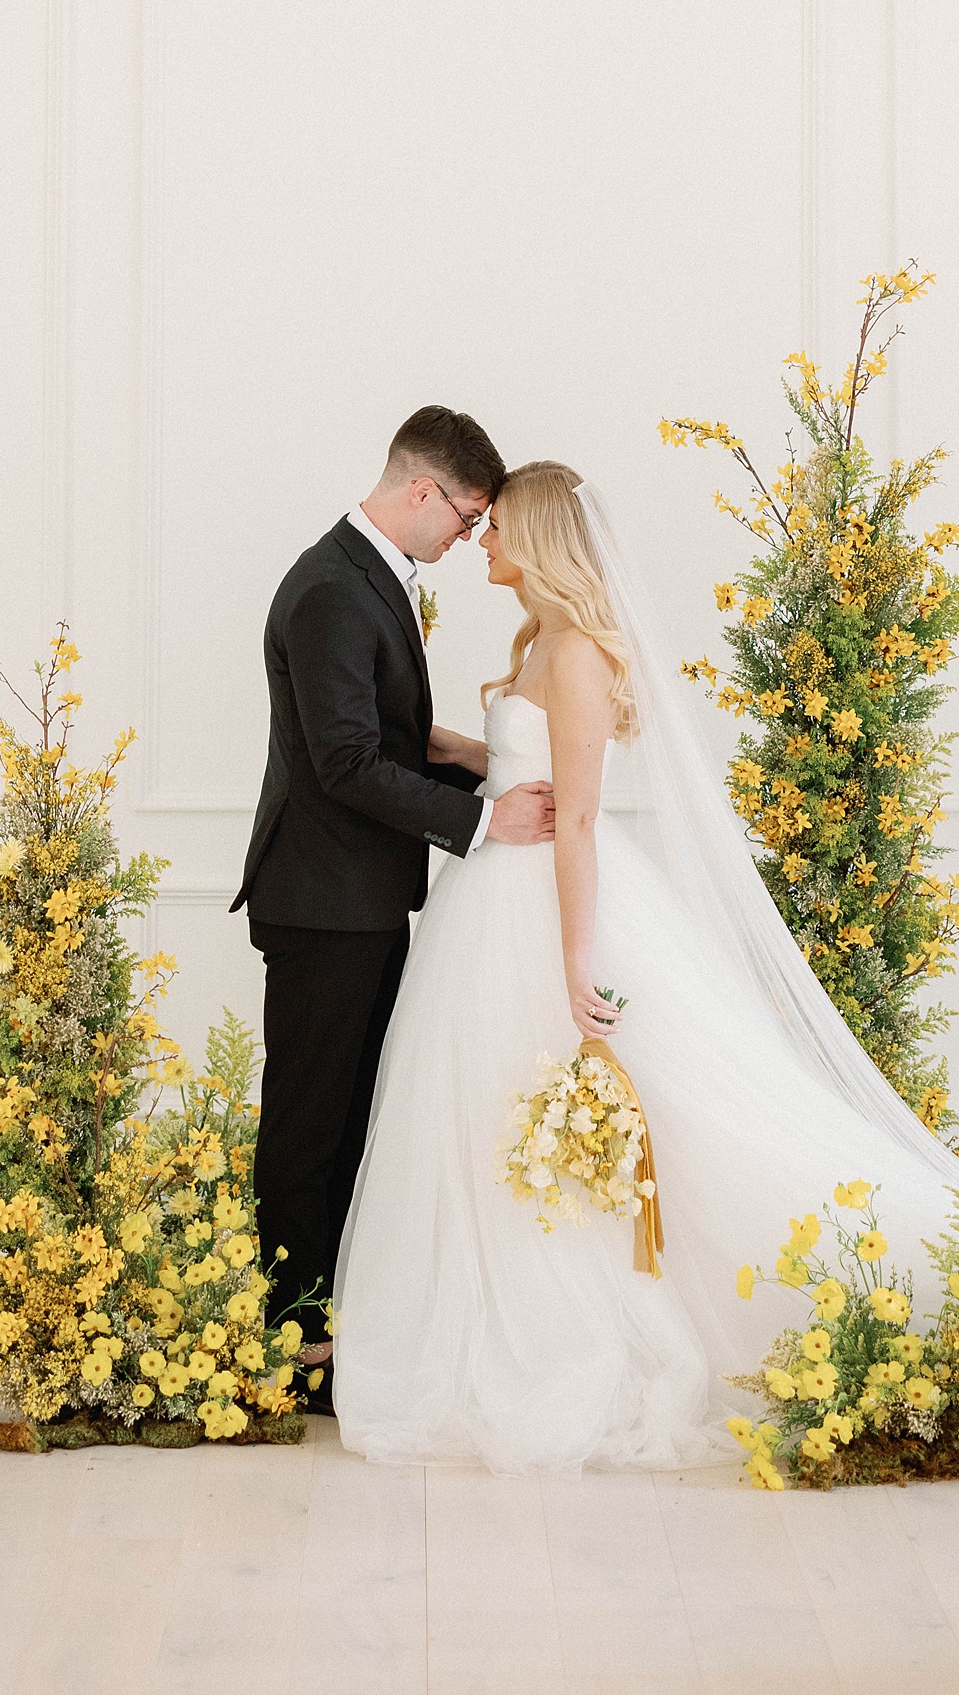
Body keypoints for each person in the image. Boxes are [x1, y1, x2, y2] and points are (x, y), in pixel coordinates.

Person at [331, 458, 959, 1473]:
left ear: (535, 540)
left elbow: (574, 816)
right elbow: (530, 769)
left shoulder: (576, 653)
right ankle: (490, 1319)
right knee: (484, 1119)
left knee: (585, 1114)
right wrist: (439, 748)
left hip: (546, 901)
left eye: (496, 528)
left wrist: (576, 962)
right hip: (495, 896)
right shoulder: (539, 640)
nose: (481, 540)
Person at [232, 406, 556, 1393]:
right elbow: (343, 764)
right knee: (307, 1129)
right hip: (322, 899)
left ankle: (328, 1330)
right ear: (422, 490)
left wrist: (480, 767)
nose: (466, 540)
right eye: (464, 517)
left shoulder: (365, 576)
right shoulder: (335, 587)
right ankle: (295, 1348)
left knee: (345, 1122)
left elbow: (381, 735)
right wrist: (480, 823)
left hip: (354, 897)